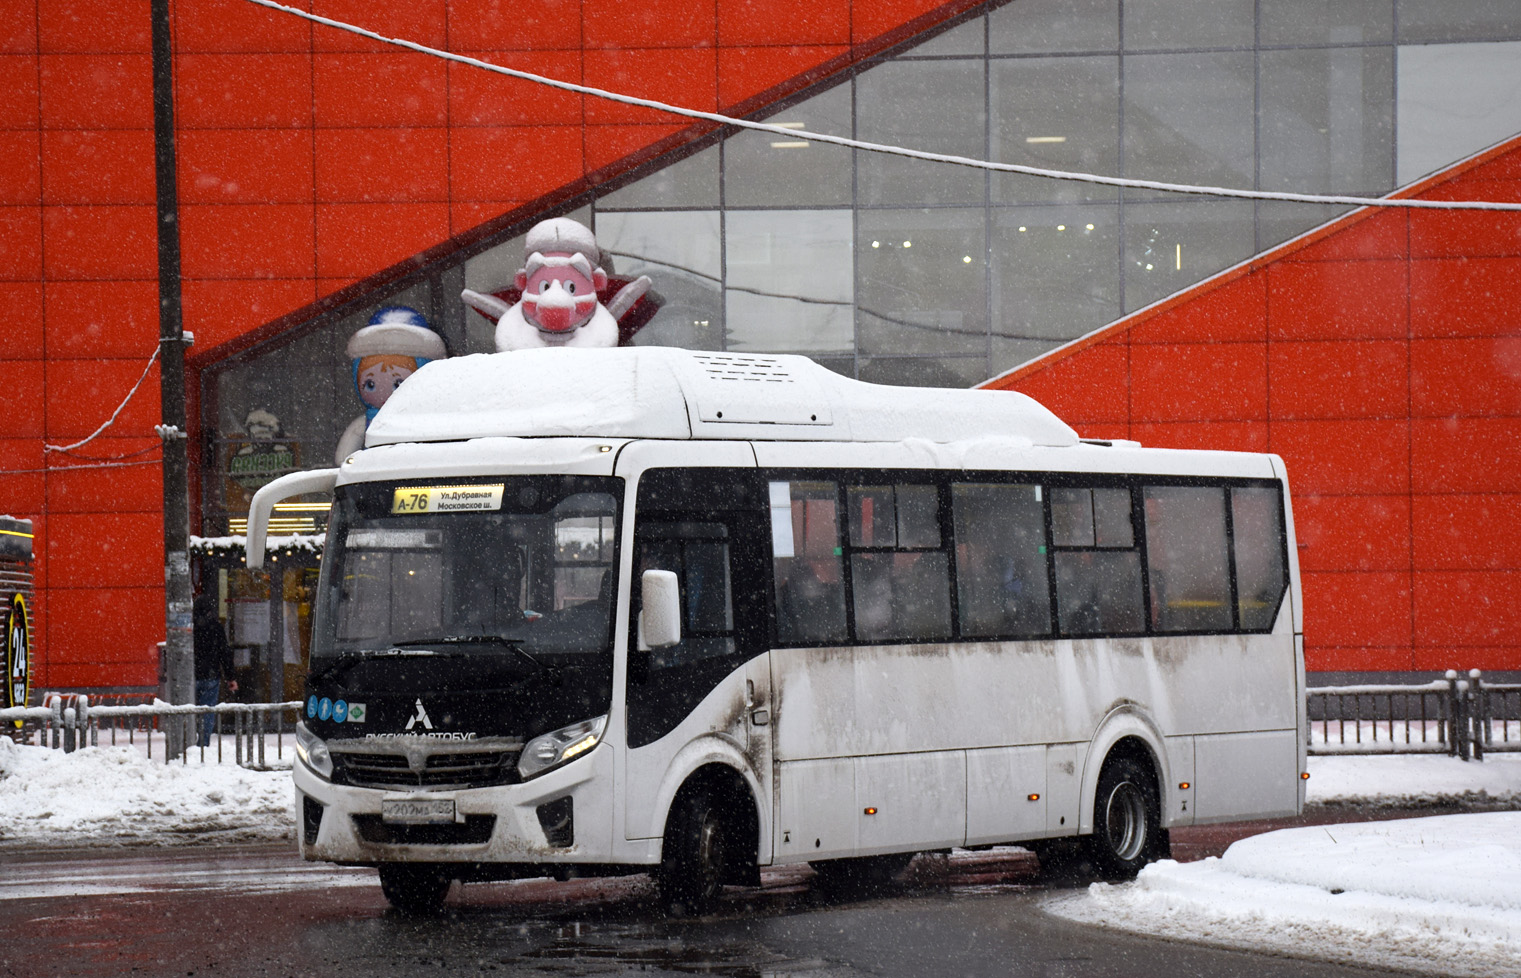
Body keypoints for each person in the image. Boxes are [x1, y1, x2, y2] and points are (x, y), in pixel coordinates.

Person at [193, 593, 237, 747]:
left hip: (192, 676)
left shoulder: (189, 628)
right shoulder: (216, 627)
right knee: (207, 712)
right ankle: (203, 744)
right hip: (211, 676)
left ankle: (189, 742)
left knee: (188, 711)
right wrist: (230, 677)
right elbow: (224, 653)